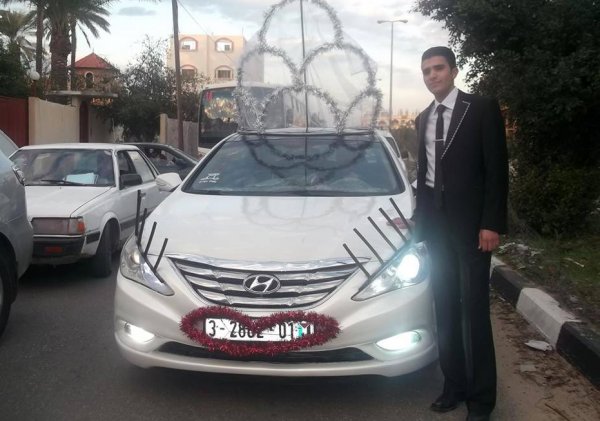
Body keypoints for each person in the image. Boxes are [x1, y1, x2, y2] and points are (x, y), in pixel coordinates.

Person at [414, 46, 508, 421]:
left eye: (438, 68)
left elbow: (496, 168)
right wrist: (418, 224)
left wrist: (491, 222)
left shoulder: (480, 108)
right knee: (445, 307)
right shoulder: (423, 118)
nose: (432, 76)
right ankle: (453, 386)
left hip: (472, 229)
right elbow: (424, 177)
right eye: (426, 71)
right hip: (436, 228)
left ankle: (481, 401)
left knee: (474, 311)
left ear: (453, 71)